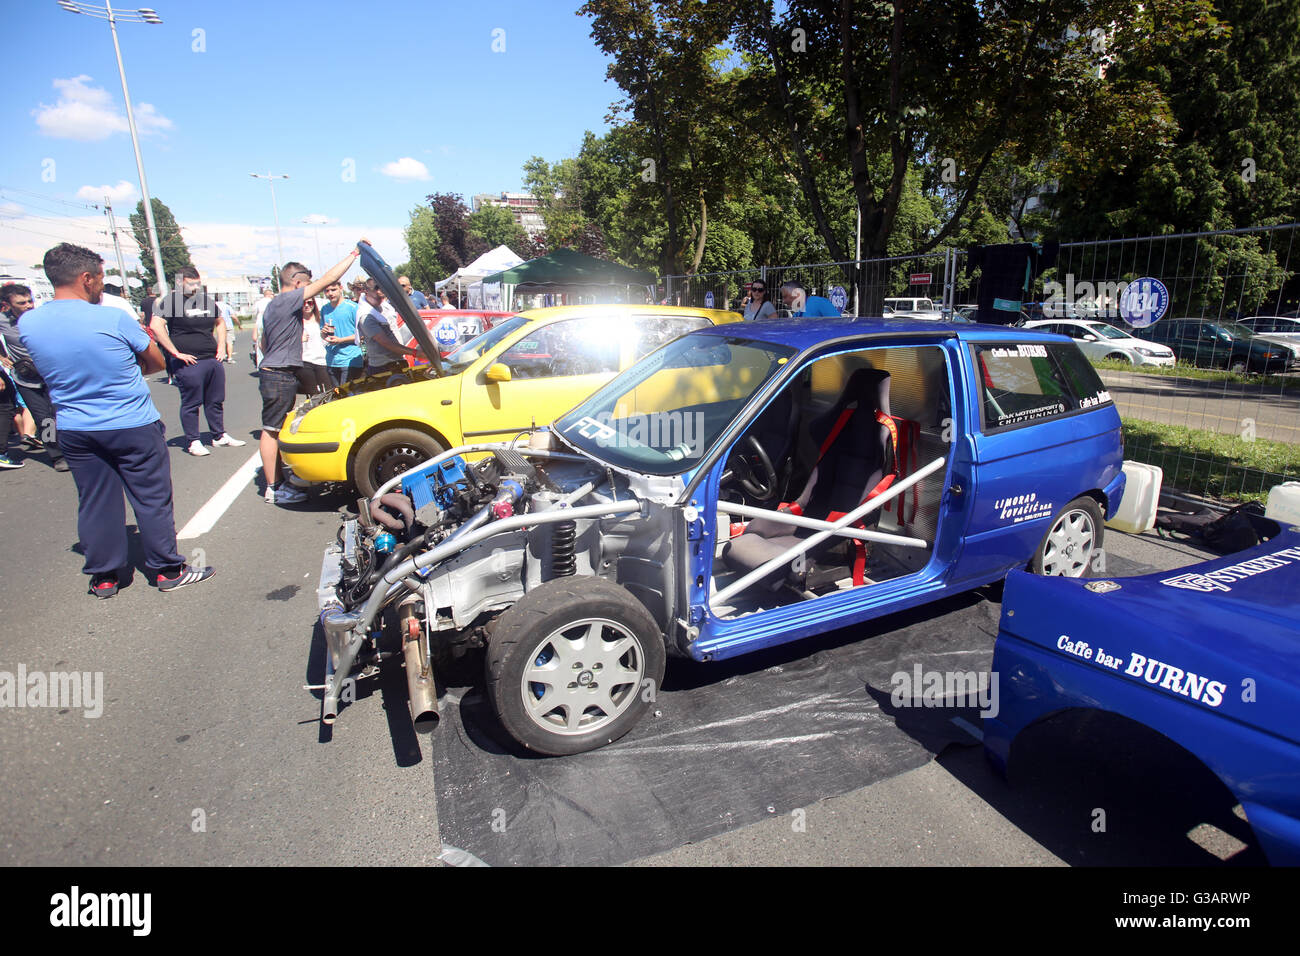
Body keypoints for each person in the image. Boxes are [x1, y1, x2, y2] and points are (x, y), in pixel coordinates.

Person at [20, 243, 214, 597]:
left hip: (75, 428)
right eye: (98, 280)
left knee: (95, 499)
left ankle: (106, 576)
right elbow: (154, 362)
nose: (99, 288)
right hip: (130, 423)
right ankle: (167, 570)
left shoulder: (29, 322)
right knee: (151, 497)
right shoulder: (112, 318)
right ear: (86, 278)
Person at [258, 248, 366, 505]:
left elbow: (263, 344)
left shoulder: (274, 306)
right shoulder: (286, 300)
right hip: (279, 374)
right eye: (306, 284)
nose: (310, 290)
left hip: (278, 370)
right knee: (272, 430)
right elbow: (328, 279)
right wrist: (354, 254)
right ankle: (274, 488)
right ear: (296, 283)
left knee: (290, 421)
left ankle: (285, 478)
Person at [151, 266, 246, 457]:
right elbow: (155, 325)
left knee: (215, 400)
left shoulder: (205, 301)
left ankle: (219, 436)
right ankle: (193, 441)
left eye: (197, 283)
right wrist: (175, 353)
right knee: (191, 403)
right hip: (189, 363)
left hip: (211, 359)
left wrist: (221, 347)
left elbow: (220, 322)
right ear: (180, 282)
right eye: (190, 283)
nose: (195, 287)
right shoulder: (171, 302)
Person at [0, 283, 69, 471]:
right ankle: (57, 455)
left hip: (53, 376)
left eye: (30, 301)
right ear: (7, 305)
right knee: (43, 418)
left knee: (61, 414)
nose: (28, 305)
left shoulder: (43, 317)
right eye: (22, 303)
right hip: (26, 379)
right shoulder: (3, 321)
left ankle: (75, 449)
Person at [358, 279, 423, 377]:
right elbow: (386, 343)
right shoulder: (366, 316)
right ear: (366, 290)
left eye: (381, 287)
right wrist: (415, 353)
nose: (380, 291)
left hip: (398, 361)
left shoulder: (386, 307)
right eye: (376, 288)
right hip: (382, 368)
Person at [321, 280, 364, 386]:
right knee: (337, 396)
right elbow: (323, 334)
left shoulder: (353, 307)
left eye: (333, 290)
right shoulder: (324, 309)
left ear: (341, 288)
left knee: (349, 397)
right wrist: (324, 334)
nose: (330, 293)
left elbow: (363, 334)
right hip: (332, 361)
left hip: (351, 360)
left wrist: (341, 340)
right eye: (327, 291)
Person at [297, 295, 333, 395]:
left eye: (310, 303)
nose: (307, 305)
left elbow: (326, 341)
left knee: (328, 392)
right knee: (313, 394)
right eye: (303, 303)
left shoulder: (321, 320)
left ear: (314, 304)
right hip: (305, 361)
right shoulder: (296, 322)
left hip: (322, 360)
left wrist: (327, 335)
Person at [215, 295, 238, 363]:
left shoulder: (213, 305)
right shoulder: (226, 306)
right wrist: (238, 324)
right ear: (222, 299)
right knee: (229, 342)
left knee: (221, 341)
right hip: (228, 325)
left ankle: (221, 354)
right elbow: (233, 316)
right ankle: (229, 358)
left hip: (218, 325)